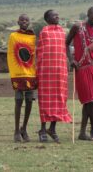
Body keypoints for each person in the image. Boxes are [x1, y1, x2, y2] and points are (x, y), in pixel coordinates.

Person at [66, 6, 93, 141]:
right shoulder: (77, 27)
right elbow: (66, 43)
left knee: (91, 101)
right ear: (88, 14)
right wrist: (71, 60)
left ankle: (90, 130)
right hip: (81, 68)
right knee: (88, 100)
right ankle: (86, 131)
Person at [36, 9, 72, 143]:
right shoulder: (44, 32)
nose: (57, 16)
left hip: (59, 72)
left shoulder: (62, 32)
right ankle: (43, 129)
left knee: (59, 100)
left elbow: (63, 52)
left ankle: (52, 128)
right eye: (53, 15)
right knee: (45, 101)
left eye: (58, 14)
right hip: (46, 73)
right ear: (47, 19)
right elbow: (40, 53)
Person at [7, 14, 37, 142]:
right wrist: (14, 72)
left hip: (31, 72)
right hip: (19, 73)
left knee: (29, 101)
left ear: (29, 22)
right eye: (22, 20)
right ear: (18, 22)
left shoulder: (33, 37)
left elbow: (35, 53)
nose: (24, 22)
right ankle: (16, 131)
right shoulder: (13, 36)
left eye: (27, 20)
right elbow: (10, 54)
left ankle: (24, 128)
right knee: (18, 100)